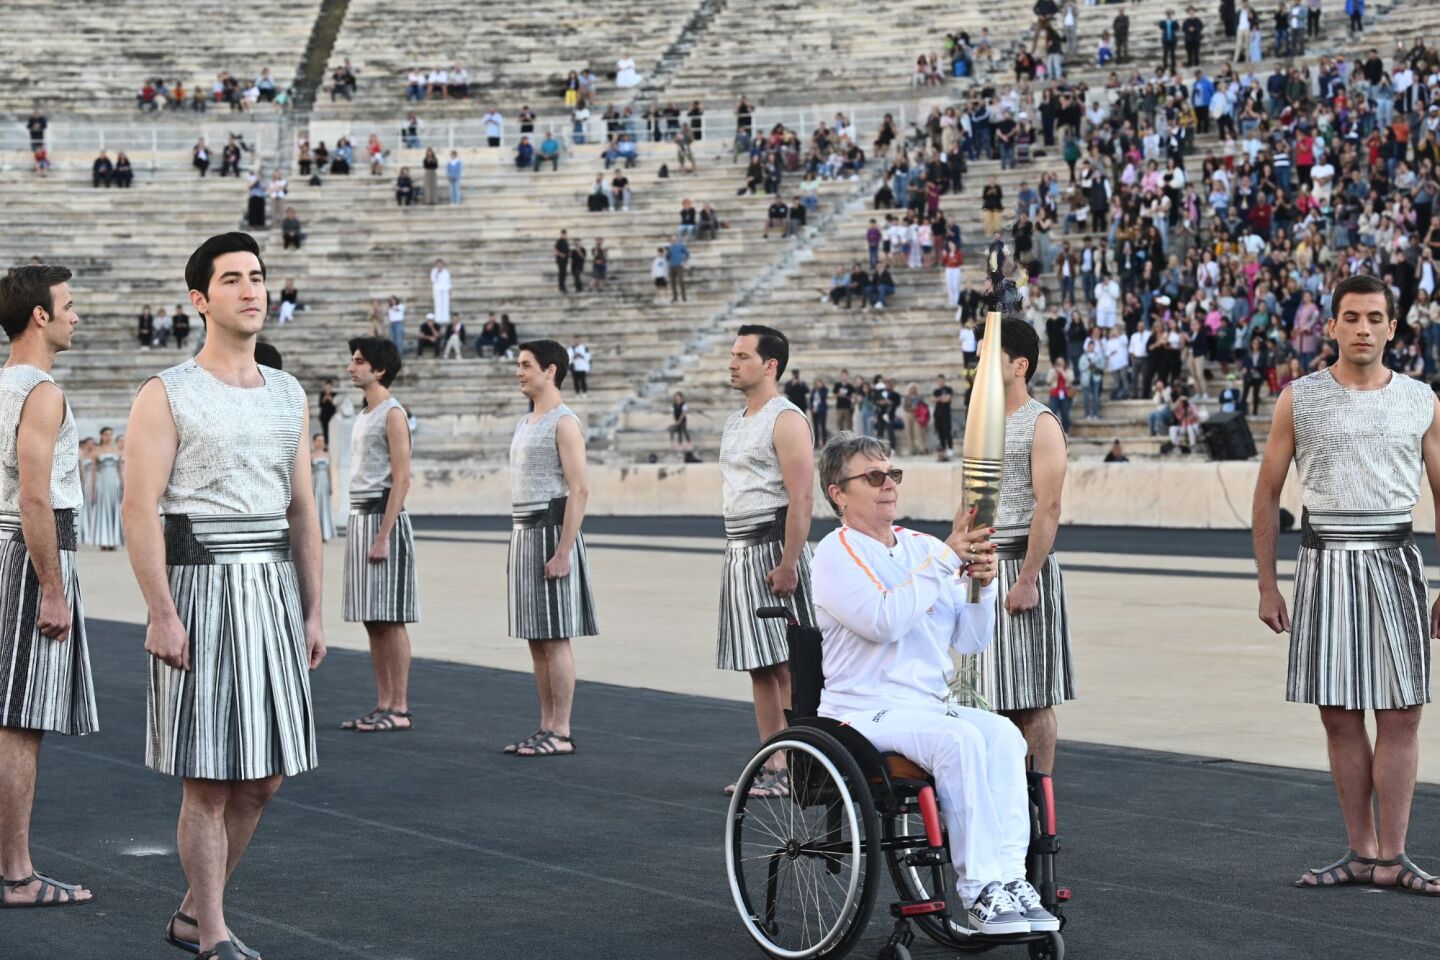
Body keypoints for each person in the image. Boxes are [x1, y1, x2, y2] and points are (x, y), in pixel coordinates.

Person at [121, 232, 325, 960]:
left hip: (271, 590)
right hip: (200, 589)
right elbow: (138, 508)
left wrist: (313, 608)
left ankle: (190, 911)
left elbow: (303, 509)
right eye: (232, 279)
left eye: (258, 277)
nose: (250, 289)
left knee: (264, 777)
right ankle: (212, 933)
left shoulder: (289, 393)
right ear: (199, 300)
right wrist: (161, 610)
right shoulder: (167, 391)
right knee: (207, 777)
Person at [812, 433, 1059, 935]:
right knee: (960, 739)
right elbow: (883, 621)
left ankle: (1011, 879)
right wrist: (948, 560)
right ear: (838, 493)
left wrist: (981, 589)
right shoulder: (834, 554)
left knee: (1005, 735)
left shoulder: (921, 547)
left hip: (923, 705)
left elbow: (968, 640)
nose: (888, 485)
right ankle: (979, 890)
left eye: (892, 474)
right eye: (873, 477)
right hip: (862, 710)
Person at [1254, 275, 1440, 896]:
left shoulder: (1421, 399)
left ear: (1393, 327)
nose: (1364, 328)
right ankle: (1361, 852)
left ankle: (1394, 855)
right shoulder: (1298, 398)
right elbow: (1266, 494)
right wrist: (1267, 585)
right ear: (1330, 326)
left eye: (1375, 318)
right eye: (1352, 317)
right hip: (1325, 562)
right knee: (1338, 716)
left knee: (1402, 713)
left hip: (1395, 561)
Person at [0, 264, 97, 909]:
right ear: (41, 315)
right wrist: (53, 590)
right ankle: (16, 874)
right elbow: (36, 499)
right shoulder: (40, 391)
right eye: (68, 305)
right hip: (28, 555)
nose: (75, 315)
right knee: (20, 720)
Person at [718, 325, 815, 798]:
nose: (733, 363)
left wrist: (790, 561)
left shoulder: (787, 419)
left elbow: (801, 498)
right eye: (732, 355)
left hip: (773, 549)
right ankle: (770, 758)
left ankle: (801, 761)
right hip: (738, 551)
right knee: (758, 665)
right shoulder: (736, 419)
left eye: (742, 356)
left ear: (770, 365)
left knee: (786, 664)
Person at [973, 320, 1075, 773]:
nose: (976, 365)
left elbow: (1048, 506)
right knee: (988, 698)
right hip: (984, 568)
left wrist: (1029, 578)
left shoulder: (1041, 422)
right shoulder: (981, 423)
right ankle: (1004, 806)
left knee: (1029, 700)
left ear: (1019, 365)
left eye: (986, 355)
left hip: (1022, 569)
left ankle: (1039, 813)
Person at [503, 341, 598, 757]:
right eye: (519, 365)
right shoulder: (527, 422)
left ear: (551, 370)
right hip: (524, 533)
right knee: (535, 639)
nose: (519, 372)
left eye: (526, 365)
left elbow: (579, 490)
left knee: (555, 637)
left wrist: (563, 551)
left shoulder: (564, 422)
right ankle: (545, 724)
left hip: (550, 533)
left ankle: (561, 729)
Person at [340, 337, 420, 734]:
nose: (351, 367)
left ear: (380, 369)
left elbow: (402, 479)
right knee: (372, 619)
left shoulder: (392, 413)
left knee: (391, 617)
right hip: (360, 518)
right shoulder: (365, 412)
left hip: (382, 519)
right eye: (352, 361)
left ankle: (400, 706)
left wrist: (384, 534)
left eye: (359, 362)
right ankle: (383, 702)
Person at [89, 427, 123, 549]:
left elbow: (119, 469)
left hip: (114, 481)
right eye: (106, 434)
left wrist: (123, 485)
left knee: (114, 509)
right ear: (102, 436)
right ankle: (103, 540)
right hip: (102, 481)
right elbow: (93, 472)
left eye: (110, 434)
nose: (108, 437)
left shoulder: (116, 450)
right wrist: (93, 489)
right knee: (103, 509)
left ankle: (113, 541)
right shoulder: (96, 451)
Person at [311, 433, 336, 541]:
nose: (320, 443)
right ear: (314, 442)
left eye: (322, 440)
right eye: (318, 440)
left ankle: (326, 533)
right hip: (315, 482)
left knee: (325, 506)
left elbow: (329, 471)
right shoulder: (311, 455)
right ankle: (316, 534)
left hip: (325, 482)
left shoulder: (327, 455)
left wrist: (331, 485)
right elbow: (309, 472)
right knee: (316, 506)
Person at [933, 373, 955, 460]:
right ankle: (943, 449)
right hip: (937, 414)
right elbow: (933, 399)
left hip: (946, 413)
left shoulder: (948, 389)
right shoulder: (936, 391)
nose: (940, 382)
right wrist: (941, 398)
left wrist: (940, 398)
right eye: (939, 381)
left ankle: (950, 448)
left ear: (944, 381)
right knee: (940, 432)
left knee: (947, 431)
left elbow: (947, 399)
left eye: (942, 380)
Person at [667, 236, 690, 303]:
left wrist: (684, 261)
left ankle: (684, 297)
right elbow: (667, 258)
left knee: (681, 281)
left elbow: (687, 253)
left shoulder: (681, 246)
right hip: (671, 266)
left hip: (679, 265)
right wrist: (667, 253)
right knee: (672, 282)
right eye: (671, 239)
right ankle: (675, 297)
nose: (673, 240)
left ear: (676, 239)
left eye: (674, 238)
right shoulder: (670, 247)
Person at [430, 259, 451, 326]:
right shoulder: (434, 271)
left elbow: (448, 281)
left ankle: (445, 318)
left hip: (445, 289)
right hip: (437, 289)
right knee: (438, 304)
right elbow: (433, 280)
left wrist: (449, 289)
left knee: (445, 304)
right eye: (438, 264)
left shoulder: (446, 271)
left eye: (441, 264)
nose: (439, 265)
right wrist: (437, 273)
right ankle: (438, 318)